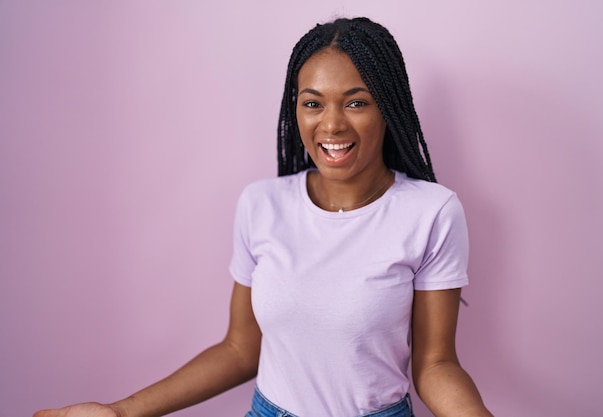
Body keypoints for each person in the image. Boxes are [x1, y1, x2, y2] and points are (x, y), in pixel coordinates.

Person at [34, 17, 493, 417]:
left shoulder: (431, 211)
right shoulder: (261, 205)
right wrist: (119, 411)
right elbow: (240, 348)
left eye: (356, 102)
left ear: (387, 109)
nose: (331, 125)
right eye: (312, 103)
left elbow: (435, 365)